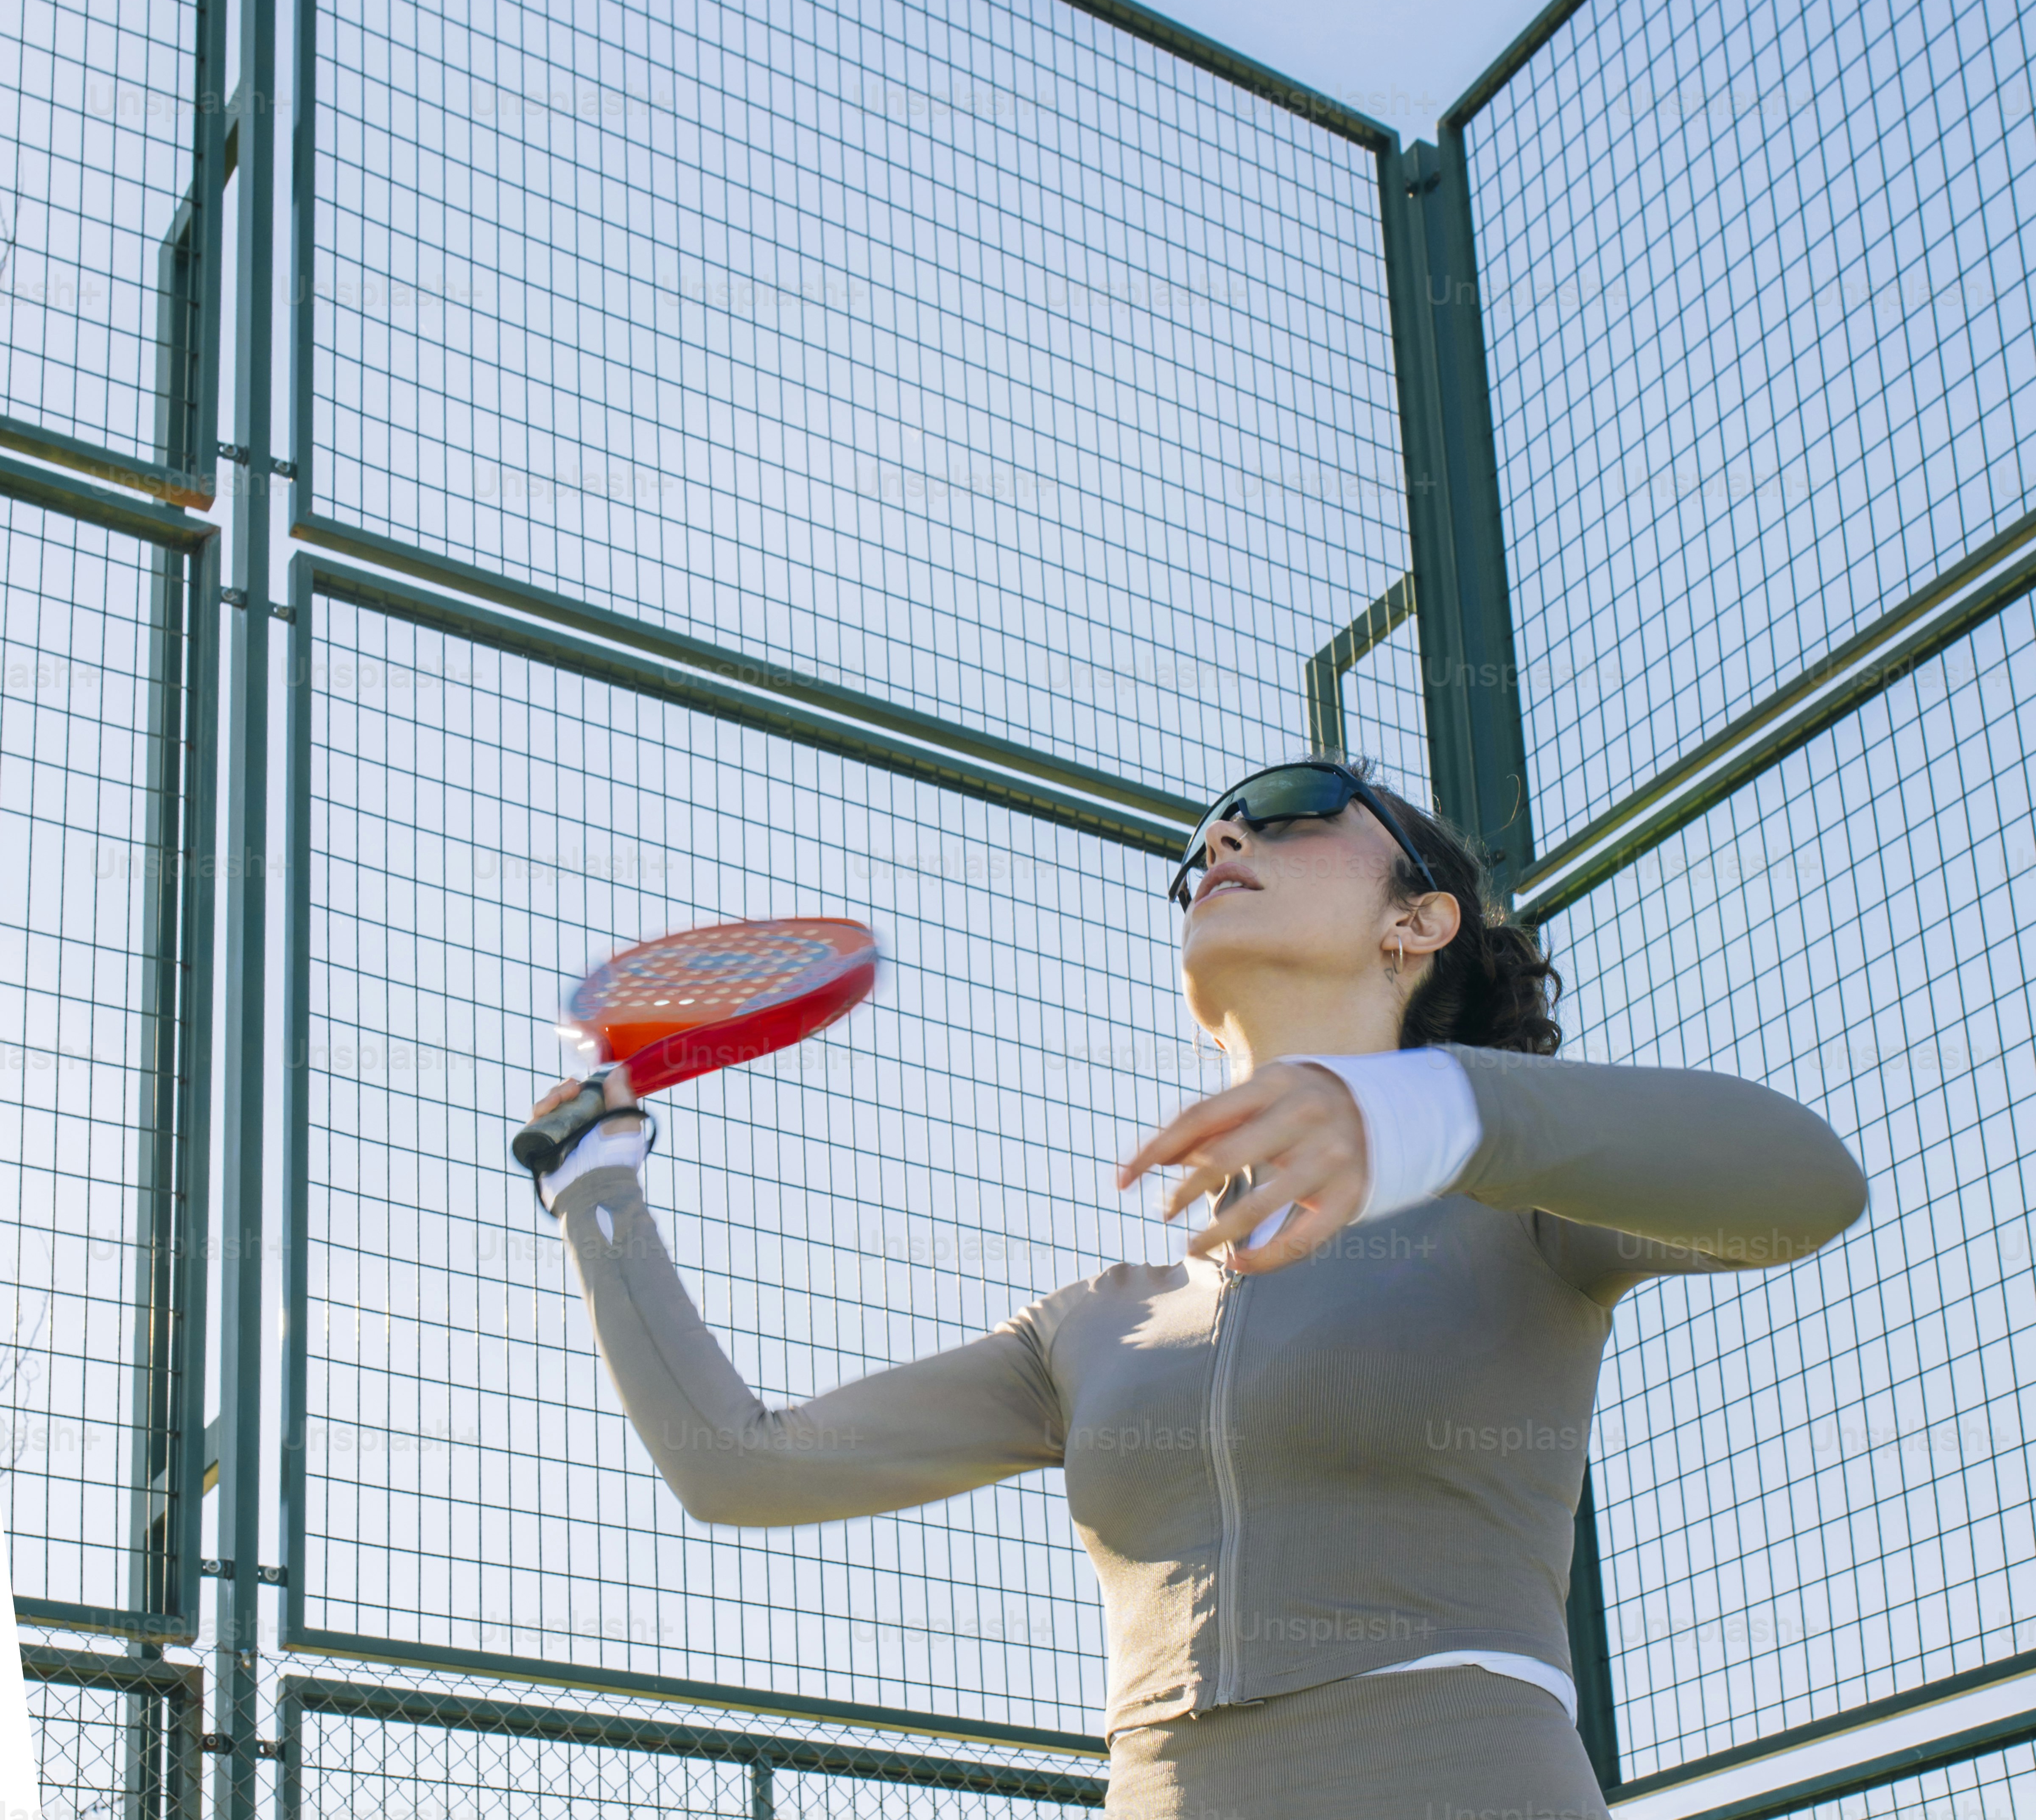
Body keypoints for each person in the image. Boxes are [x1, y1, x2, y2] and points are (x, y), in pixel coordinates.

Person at [525, 756, 1867, 1820]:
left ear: (1421, 920)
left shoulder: (1518, 1191)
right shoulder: (1090, 1324)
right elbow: (739, 1468)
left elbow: (1809, 1185)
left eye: (1290, 814)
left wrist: (1431, 1110)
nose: (1223, 844)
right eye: (1207, 845)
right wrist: (598, 1183)